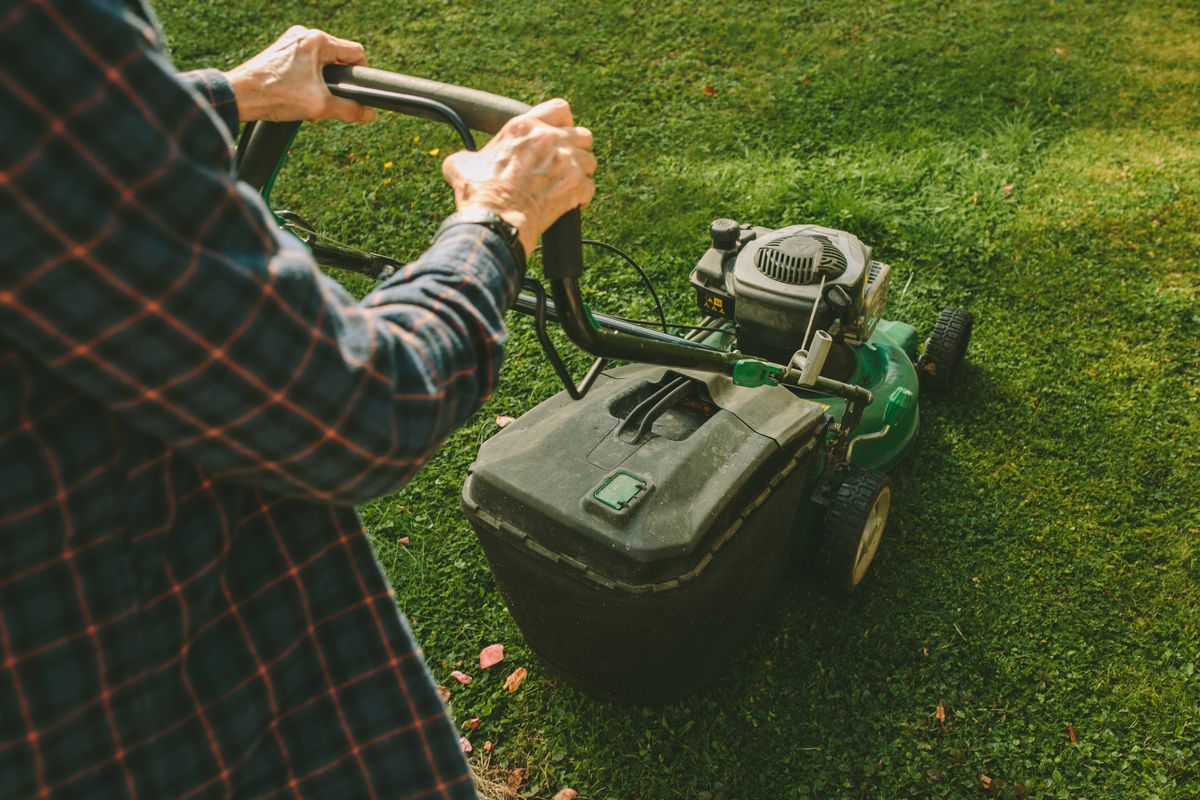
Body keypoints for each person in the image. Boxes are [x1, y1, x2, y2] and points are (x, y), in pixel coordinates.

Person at [0, 1, 595, 797]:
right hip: (154, 725)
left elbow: (39, 162)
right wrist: (500, 217)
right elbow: (358, 408)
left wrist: (227, 93)